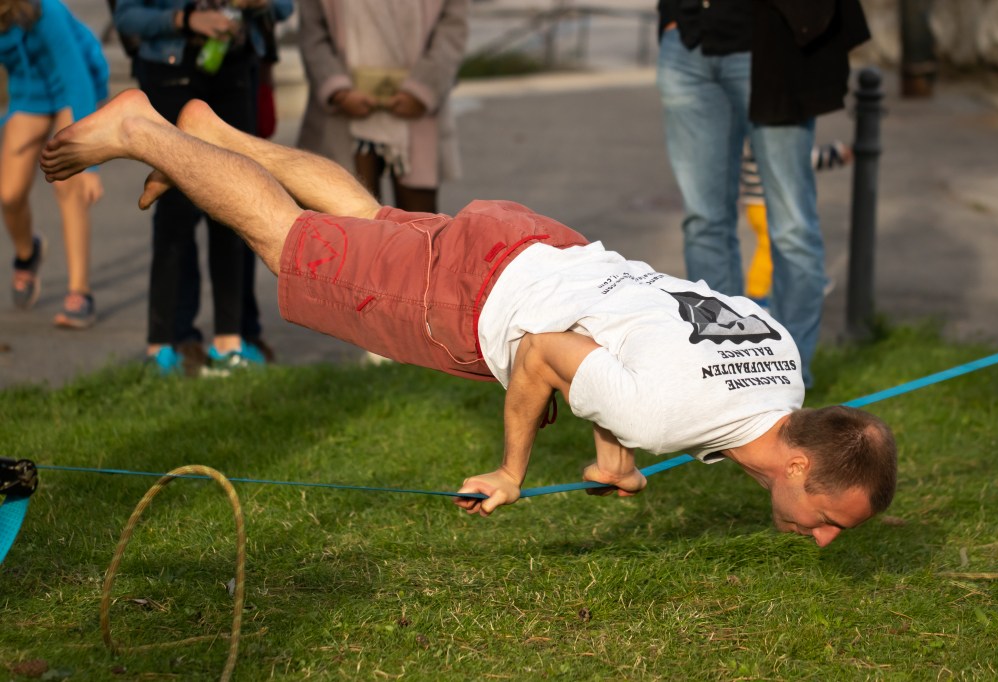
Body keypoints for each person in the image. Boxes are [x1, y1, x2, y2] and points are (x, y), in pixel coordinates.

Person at [40, 90, 898, 547]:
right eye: (830, 518)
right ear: (794, 464)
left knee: (368, 223)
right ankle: (143, 130)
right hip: (476, 298)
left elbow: (646, 335)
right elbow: (546, 352)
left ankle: (214, 135)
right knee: (290, 243)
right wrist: (512, 470)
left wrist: (613, 455)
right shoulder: (670, 412)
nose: (824, 537)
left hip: (539, 244)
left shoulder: (783, 363)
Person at [656, 0, 870, 387]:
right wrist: (671, 16)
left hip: (772, 44)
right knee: (703, 222)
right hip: (688, 43)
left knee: (792, 227)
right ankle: (725, 376)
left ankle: (790, 379)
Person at [114, 0, 292, 374]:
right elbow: (126, 15)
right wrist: (186, 19)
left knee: (234, 205)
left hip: (234, 72)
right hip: (171, 75)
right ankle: (163, 345)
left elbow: (285, 7)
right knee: (174, 209)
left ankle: (229, 341)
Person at [295, 0, 468, 214]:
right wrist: (338, 90)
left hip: (416, 112)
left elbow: (452, 30)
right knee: (352, 216)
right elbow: (313, 34)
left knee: (418, 222)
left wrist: (423, 88)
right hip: (344, 116)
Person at [0, 0, 108, 328]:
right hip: (28, 92)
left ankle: (80, 293)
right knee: (9, 195)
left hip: (72, 89)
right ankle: (27, 253)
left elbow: (76, 79)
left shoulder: (46, 11)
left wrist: (90, 166)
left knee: (67, 183)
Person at [742, 140, 853, 305]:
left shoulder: (749, 136)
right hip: (767, 203)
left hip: (756, 204)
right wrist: (835, 154)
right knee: (775, 245)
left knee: (785, 242)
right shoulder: (768, 139)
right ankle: (757, 295)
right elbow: (801, 158)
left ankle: (808, 279)